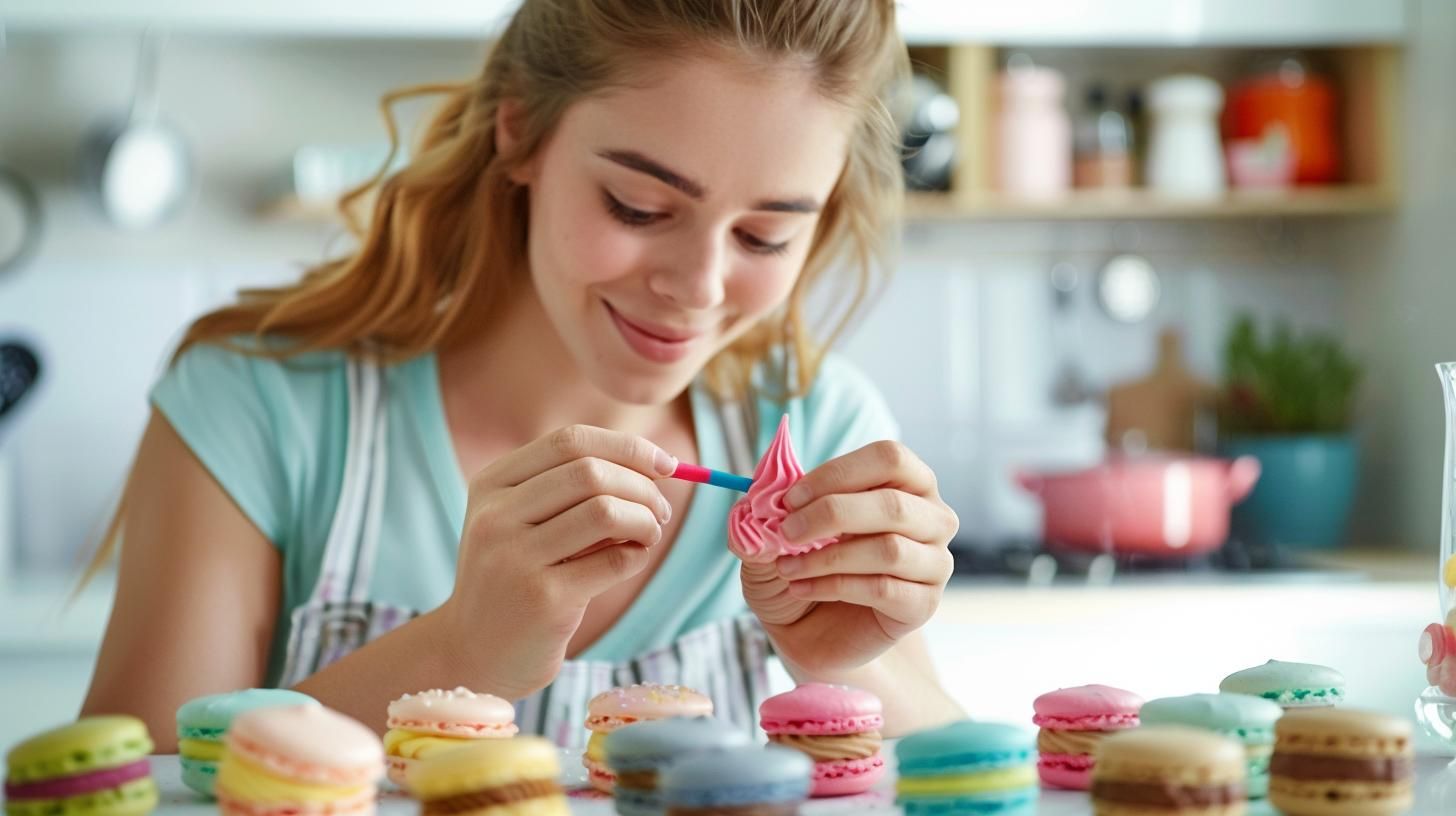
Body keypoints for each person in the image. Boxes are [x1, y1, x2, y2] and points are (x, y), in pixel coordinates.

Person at [80, 0, 963, 750]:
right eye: (639, 205)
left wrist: (845, 666)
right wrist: (456, 651)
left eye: (764, 235)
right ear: (521, 131)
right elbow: (135, 788)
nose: (697, 287)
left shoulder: (822, 426)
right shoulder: (253, 409)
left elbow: (951, 770)